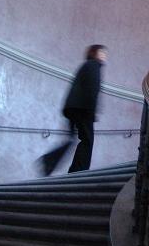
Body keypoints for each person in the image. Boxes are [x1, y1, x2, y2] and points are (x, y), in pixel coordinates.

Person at [39, 44, 107, 175]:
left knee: (71, 139)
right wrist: (92, 112)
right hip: (83, 108)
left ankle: (48, 161)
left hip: (73, 108)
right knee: (87, 140)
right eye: (101, 52)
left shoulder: (86, 65)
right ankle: (79, 170)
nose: (104, 56)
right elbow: (93, 90)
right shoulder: (94, 66)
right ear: (94, 53)